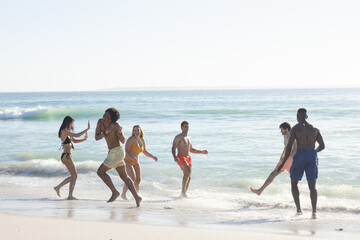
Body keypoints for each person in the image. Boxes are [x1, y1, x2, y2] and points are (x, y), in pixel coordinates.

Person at [277, 108, 325, 219]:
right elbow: (322, 146)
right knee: (312, 186)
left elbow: (289, 148)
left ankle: (299, 211)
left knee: (294, 182)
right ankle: (314, 213)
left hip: (300, 155)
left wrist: (282, 163)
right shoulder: (315, 129)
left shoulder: (295, 129)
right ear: (306, 117)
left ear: (297, 117)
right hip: (312, 156)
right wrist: (313, 152)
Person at [95, 108, 142, 207]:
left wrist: (120, 132)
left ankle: (114, 192)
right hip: (112, 153)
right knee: (124, 177)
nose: (104, 116)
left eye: (107, 116)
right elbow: (96, 137)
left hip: (118, 152)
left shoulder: (116, 126)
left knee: (100, 172)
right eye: (104, 114)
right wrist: (104, 133)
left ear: (111, 119)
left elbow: (123, 140)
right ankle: (137, 197)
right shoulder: (100, 122)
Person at [250, 122, 297, 195]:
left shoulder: (292, 137)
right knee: (273, 174)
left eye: (282, 129)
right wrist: (281, 157)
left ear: (287, 129)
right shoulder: (285, 136)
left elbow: (295, 150)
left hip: (291, 160)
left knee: (293, 180)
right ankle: (260, 190)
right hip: (285, 159)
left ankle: (296, 198)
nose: (281, 131)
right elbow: (286, 147)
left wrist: (286, 157)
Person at [54, 116, 90, 200]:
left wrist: (84, 139)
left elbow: (75, 141)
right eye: (71, 123)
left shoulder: (67, 132)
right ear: (68, 122)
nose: (72, 125)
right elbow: (77, 135)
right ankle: (69, 195)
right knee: (75, 175)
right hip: (66, 156)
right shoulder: (63, 131)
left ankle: (58, 187)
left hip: (67, 156)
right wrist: (87, 128)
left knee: (74, 176)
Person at [172, 121, 208, 198]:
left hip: (188, 157)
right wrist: (174, 156)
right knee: (187, 171)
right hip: (180, 156)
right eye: (185, 127)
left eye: (187, 127)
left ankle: (184, 193)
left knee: (189, 175)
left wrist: (201, 152)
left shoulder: (189, 138)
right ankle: (183, 192)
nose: (186, 128)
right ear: (181, 128)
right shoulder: (178, 137)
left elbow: (191, 150)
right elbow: (173, 147)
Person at [121, 125, 158, 200]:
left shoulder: (141, 139)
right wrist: (131, 158)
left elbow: (144, 151)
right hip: (127, 160)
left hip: (135, 160)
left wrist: (153, 157)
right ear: (133, 131)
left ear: (140, 131)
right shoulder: (131, 139)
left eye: (138, 130)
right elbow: (126, 151)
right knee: (132, 177)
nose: (136, 132)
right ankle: (123, 194)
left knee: (138, 179)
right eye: (135, 130)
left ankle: (136, 195)